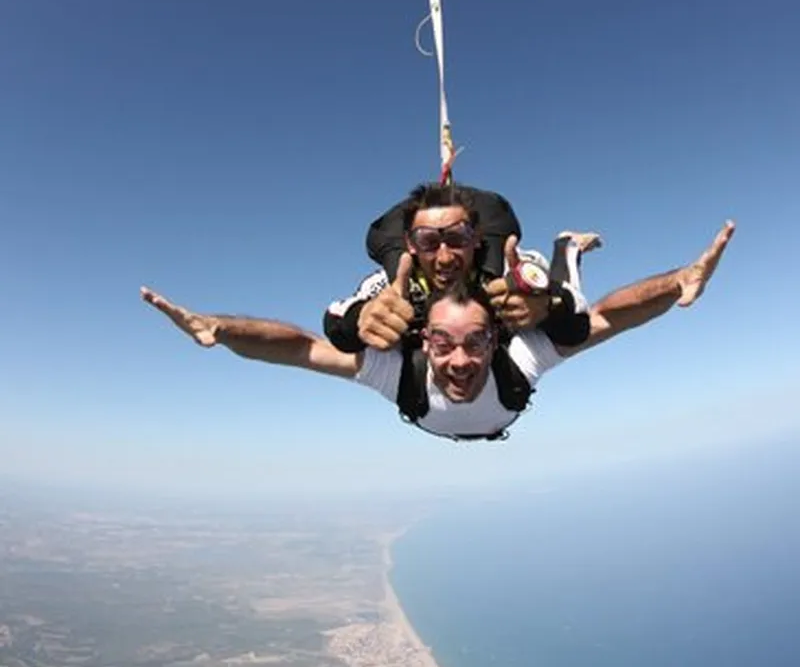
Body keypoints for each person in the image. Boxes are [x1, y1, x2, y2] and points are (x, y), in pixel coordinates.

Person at [140, 218, 735, 442]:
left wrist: (679, 282)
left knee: (569, 312)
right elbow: (301, 347)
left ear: (492, 340)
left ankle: (565, 250)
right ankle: (561, 250)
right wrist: (219, 329)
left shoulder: (515, 356)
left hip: (520, 302)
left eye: (476, 342)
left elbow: (611, 315)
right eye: (445, 343)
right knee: (571, 326)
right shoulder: (403, 367)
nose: (458, 360)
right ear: (423, 342)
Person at [323, 182, 602, 355]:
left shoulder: (509, 268)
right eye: (428, 241)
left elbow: (576, 323)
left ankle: (568, 246)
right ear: (409, 244)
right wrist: (360, 319)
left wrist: (549, 307)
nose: (444, 258)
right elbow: (336, 316)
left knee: (563, 297)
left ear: (477, 238)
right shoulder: (393, 284)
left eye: (457, 238)